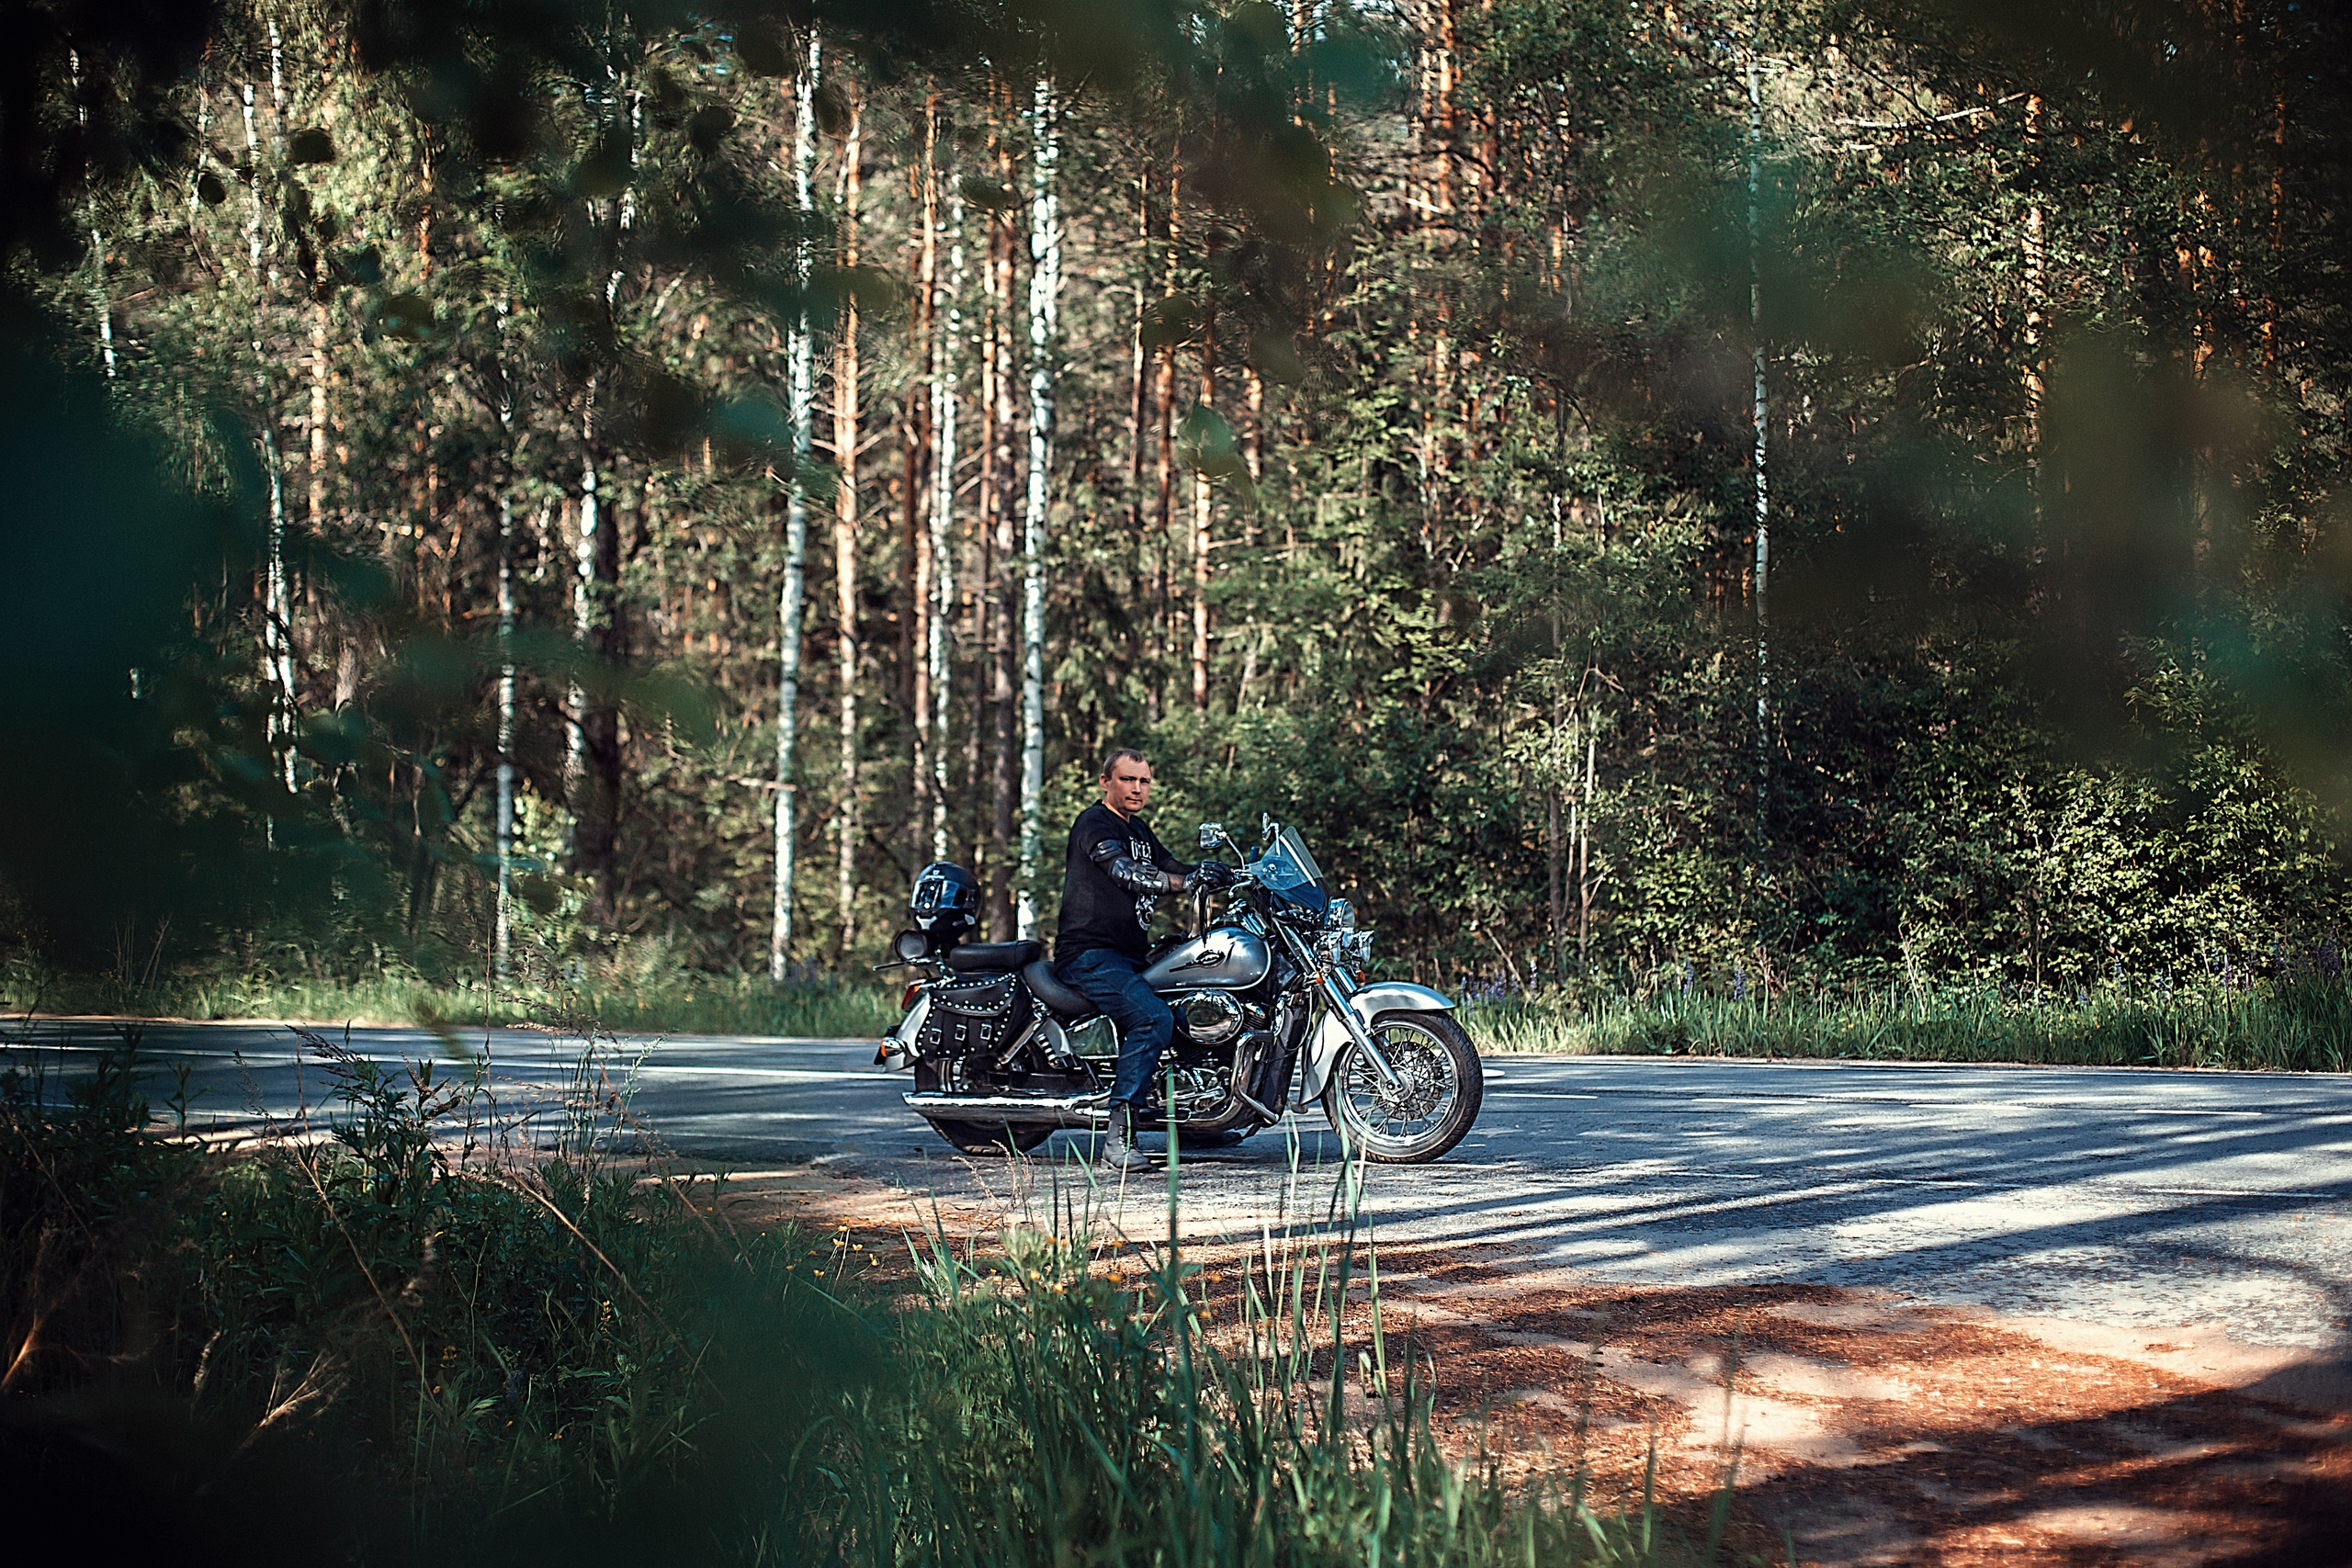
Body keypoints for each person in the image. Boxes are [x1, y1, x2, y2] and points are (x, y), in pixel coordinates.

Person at [1056, 748, 1234, 1169]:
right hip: (1090, 954)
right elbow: (1125, 871)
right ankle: (1119, 1138)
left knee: (1191, 1011)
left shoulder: (1138, 830)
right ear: (1106, 782)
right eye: (1127, 779)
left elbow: (1170, 865)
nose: (1137, 788)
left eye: (1144, 781)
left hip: (1129, 955)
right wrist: (1183, 882)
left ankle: (1198, 1119)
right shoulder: (1094, 823)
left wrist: (1221, 874)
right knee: (1152, 1018)